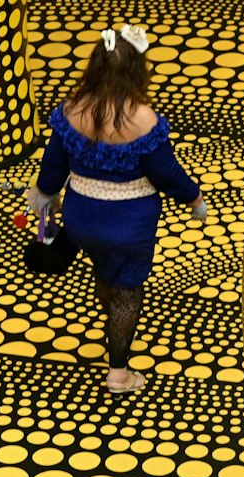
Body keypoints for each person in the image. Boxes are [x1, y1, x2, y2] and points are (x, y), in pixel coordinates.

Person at [25, 24, 206, 393]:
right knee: (127, 291)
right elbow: (166, 172)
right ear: (138, 70)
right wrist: (194, 199)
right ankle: (119, 374)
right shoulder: (144, 119)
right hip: (128, 225)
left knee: (104, 271)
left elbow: (52, 168)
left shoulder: (72, 110)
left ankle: (111, 321)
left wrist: (44, 199)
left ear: (94, 66)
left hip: (81, 219)